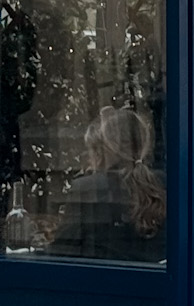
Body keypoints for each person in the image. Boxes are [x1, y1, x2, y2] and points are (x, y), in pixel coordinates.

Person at [53, 107, 166, 263]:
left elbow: (60, 250)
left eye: (90, 151)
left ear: (101, 152)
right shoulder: (161, 182)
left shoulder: (88, 187)